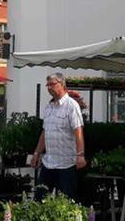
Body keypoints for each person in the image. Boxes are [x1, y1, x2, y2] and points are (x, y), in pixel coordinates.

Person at [31, 72, 86, 200]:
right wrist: (36, 154)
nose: (49, 87)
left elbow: (78, 131)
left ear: (62, 85)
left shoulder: (71, 106)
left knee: (68, 201)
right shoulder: (49, 107)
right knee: (39, 199)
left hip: (66, 163)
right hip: (49, 162)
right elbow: (45, 133)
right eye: (47, 85)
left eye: (52, 84)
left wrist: (80, 155)